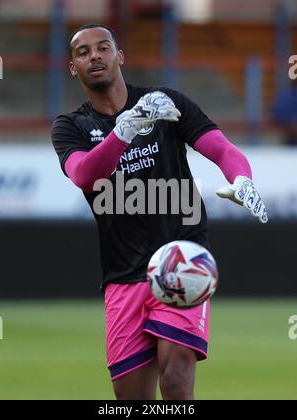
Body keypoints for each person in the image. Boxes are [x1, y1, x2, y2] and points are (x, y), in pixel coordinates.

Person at [51, 23, 268, 400]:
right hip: (123, 274)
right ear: (73, 67)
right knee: (131, 398)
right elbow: (85, 175)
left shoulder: (165, 101)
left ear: (120, 57)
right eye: (83, 52)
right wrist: (127, 128)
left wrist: (242, 178)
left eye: (103, 48)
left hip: (182, 257)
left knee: (176, 377)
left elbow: (222, 150)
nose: (94, 56)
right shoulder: (70, 126)